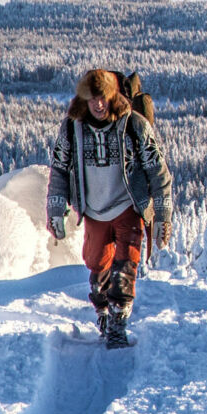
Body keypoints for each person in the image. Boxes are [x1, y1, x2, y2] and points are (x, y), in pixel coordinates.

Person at [45, 69, 174, 348]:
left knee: (127, 265)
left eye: (103, 97)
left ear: (112, 96)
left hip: (129, 206)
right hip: (94, 212)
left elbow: (158, 171)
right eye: (93, 99)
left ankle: (118, 325)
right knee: (96, 265)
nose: (99, 104)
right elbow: (59, 169)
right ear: (84, 100)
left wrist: (163, 214)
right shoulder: (72, 128)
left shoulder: (134, 125)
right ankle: (103, 310)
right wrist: (55, 208)